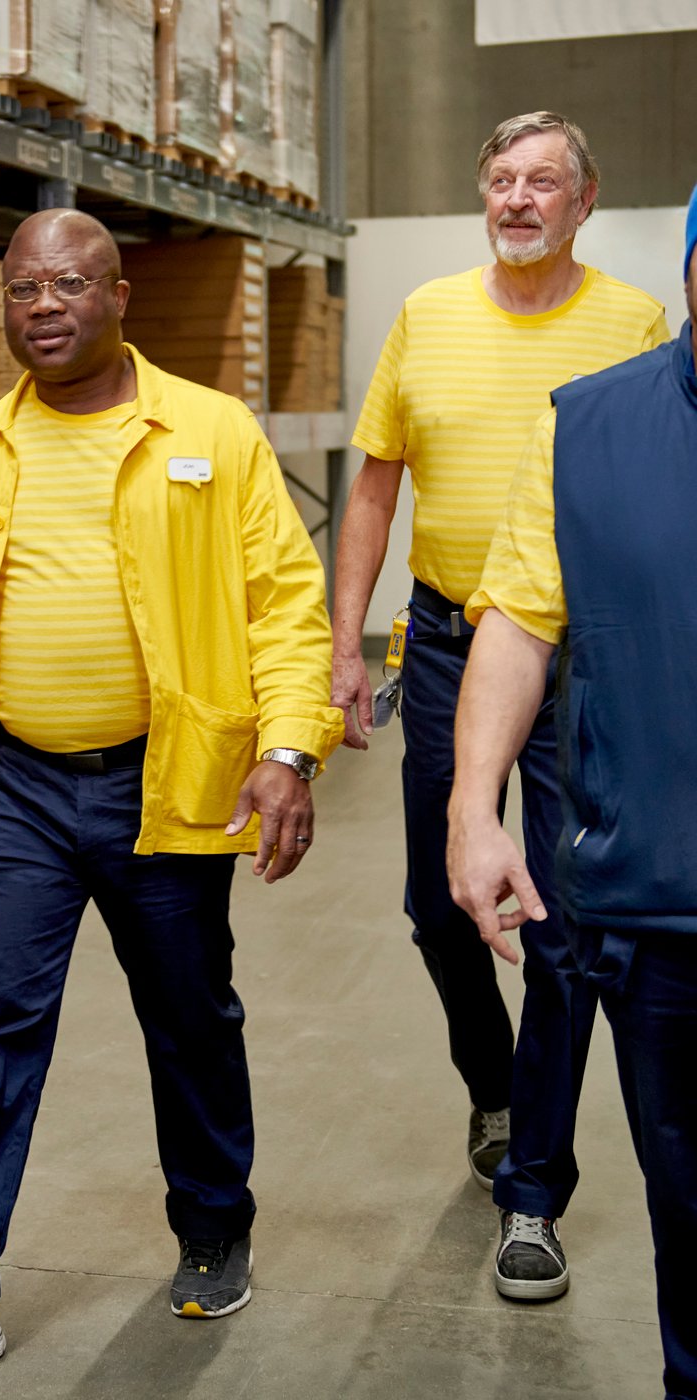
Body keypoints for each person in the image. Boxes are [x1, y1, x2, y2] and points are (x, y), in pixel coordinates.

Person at [0, 209, 342, 1387]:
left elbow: (282, 598)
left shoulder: (208, 431)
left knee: (187, 1014)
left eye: (68, 283)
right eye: (21, 290)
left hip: (163, 777)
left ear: (119, 296)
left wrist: (291, 747)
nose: (44, 306)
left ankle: (214, 1219)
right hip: (12, 788)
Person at [332, 111, 668, 1300]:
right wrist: (342, 642)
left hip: (583, 658)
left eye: (542, 183)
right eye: (500, 180)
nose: (517, 199)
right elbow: (371, 488)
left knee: (564, 921)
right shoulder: (425, 315)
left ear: (583, 203)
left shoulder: (633, 321)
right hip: (439, 639)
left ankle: (532, 1185)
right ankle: (493, 1084)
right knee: (438, 902)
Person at [447, 180, 697, 1400]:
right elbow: (516, 624)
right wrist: (472, 803)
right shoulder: (588, 427)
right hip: (662, 905)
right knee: (691, 1219)